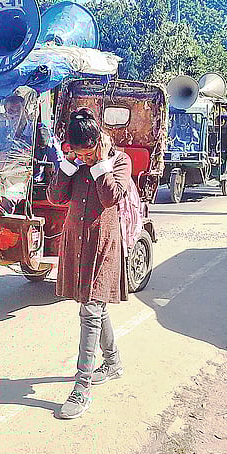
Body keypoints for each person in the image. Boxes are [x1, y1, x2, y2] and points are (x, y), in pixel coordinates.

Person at [45, 110, 134, 420]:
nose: (83, 158)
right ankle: (113, 363)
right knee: (95, 306)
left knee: (90, 311)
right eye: (77, 152)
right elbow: (56, 197)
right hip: (76, 242)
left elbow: (110, 198)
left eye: (87, 152)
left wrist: (100, 164)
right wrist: (68, 163)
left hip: (101, 246)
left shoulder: (119, 162)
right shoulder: (76, 163)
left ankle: (81, 388)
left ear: (99, 142)